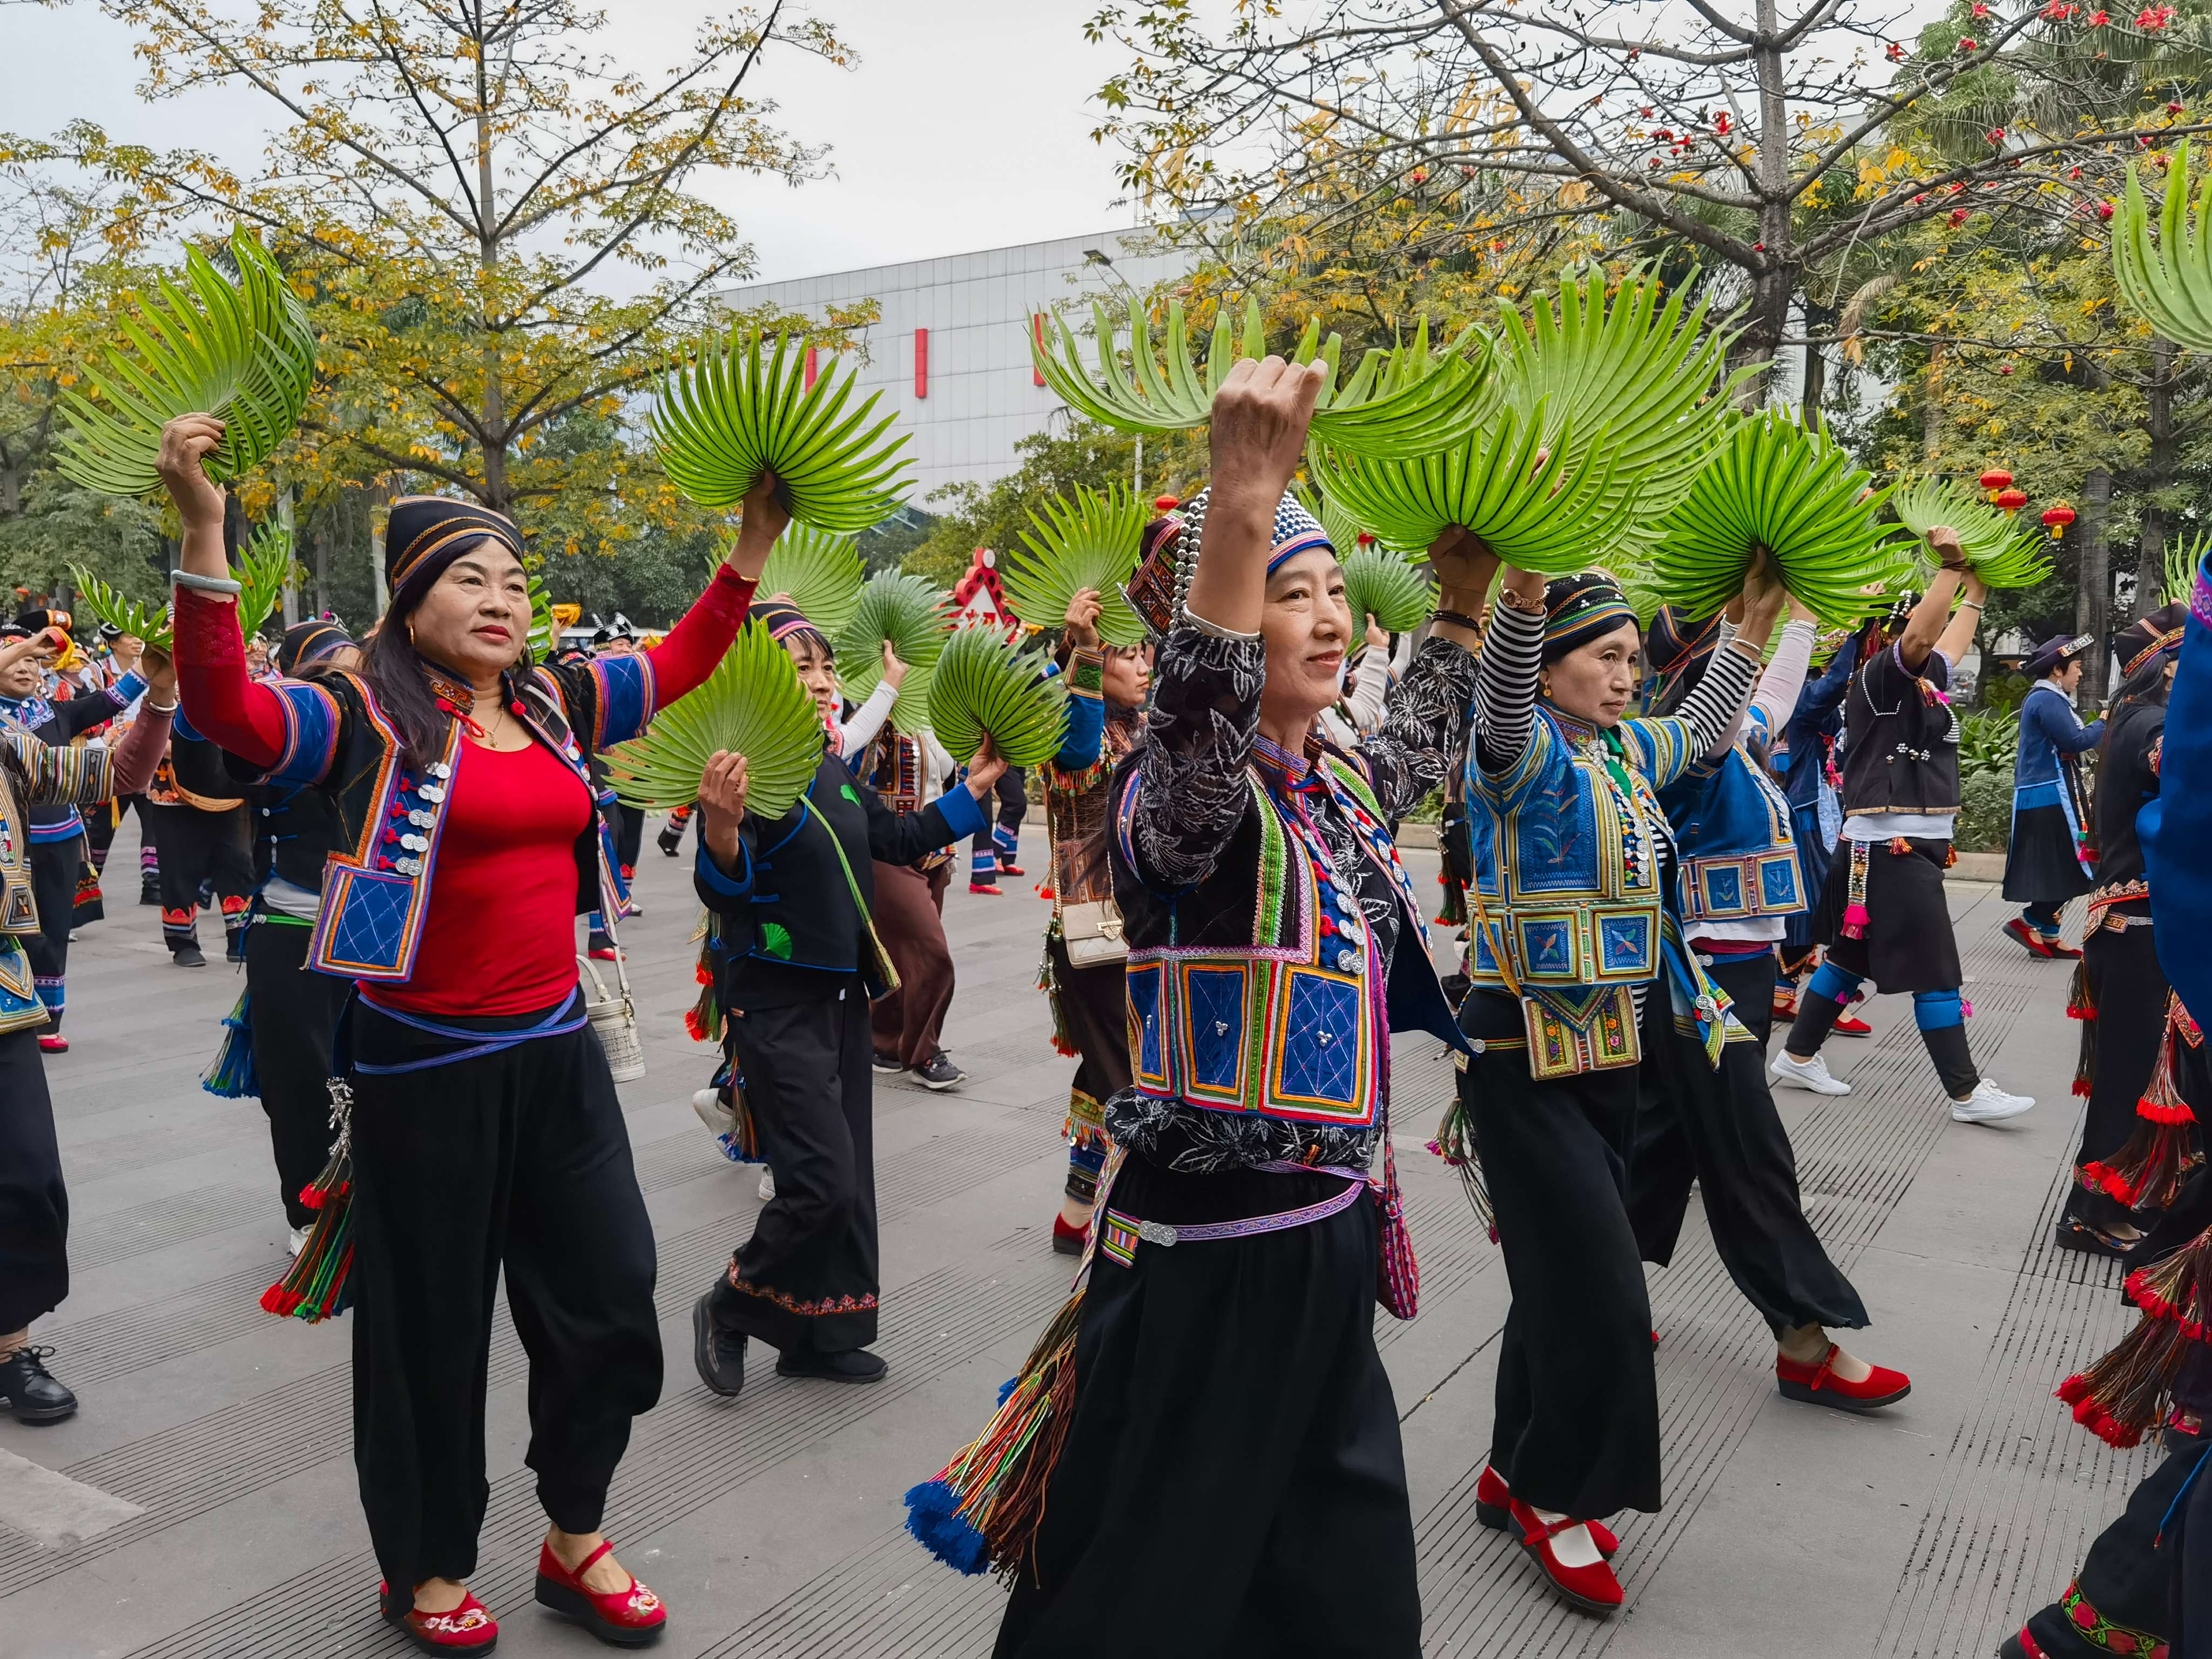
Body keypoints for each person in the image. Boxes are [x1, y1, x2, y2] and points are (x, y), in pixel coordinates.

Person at [160, 409, 773, 1652]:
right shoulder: (358, 712)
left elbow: (681, 660)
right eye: (468, 579)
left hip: (556, 1054)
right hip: (421, 1067)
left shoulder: (554, 701)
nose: (500, 600)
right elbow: (224, 705)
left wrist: (751, 545)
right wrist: (204, 528)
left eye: (513, 582)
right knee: (429, 1338)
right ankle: (427, 1565)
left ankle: (573, 1534)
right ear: (408, 595)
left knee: (612, 1295)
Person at [907, 357, 1485, 1657]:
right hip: (1214, 1263)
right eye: (1291, 593)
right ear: (1220, 630)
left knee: (1344, 1600)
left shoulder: (1332, 783)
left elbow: (1425, 737)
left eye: (1334, 591)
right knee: (1140, 1602)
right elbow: (1196, 729)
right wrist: (1239, 503)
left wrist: (1466, 604)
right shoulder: (1178, 804)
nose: (1328, 618)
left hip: (1323, 1240)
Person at [1438, 548, 1792, 1615]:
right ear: (1549, 666)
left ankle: (1512, 1463)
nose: (1628, 673)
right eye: (1605, 656)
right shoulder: (1517, 754)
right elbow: (1500, 697)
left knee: (1558, 1274)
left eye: (1635, 656)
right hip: (1519, 1057)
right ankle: (1557, 1493)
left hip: (1610, 1053)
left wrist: (1753, 625)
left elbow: (1703, 730)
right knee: (1602, 1286)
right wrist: (1521, 595)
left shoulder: (1623, 750)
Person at [687, 596, 1002, 1394]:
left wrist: (973, 790)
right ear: (755, 679)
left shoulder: (827, 766)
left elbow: (894, 839)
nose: (825, 681)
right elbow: (723, 888)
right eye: (803, 668)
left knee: (850, 1183)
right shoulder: (739, 775)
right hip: (774, 1003)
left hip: (840, 1001)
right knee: (820, 1182)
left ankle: (822, 1336)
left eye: (827, 667)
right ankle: (730, 1304)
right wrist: (719, 831)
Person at [1628, 600, 1909, 1435]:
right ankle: (1802, 1339)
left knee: (1661, 1138)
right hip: (1702, 977)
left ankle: (1599, 1291)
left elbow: (1778, 697)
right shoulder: (1680, 738)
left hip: (1734, 971)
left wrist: (1797, 615)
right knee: (1748, 1153)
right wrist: (1755, 621)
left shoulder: (1731, 729)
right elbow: (1733, 713)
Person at [1770, 555, 2036, 1124]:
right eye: (1914, 629)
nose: (1930, 640)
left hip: (1887, 848)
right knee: (1936, 972)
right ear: (1889, 636)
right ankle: (1966, 1092)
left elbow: (1947, 647)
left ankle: (1797, 1056)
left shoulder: (1919, 680)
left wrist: (1975, 594)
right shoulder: (1882, 677)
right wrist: (1950, 567)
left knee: (1847, 962)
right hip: (1893, 850)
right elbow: (1920, 637)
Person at [0, 624, 174, 1422]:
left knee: (26, 1174)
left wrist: (160, 695)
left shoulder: (9, 745)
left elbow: (118, 772)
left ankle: (9, 1349)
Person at [181, 617, 362, 1256]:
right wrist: (190, 700)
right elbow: (206, 778)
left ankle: (387, 1201)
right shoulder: (282, 733)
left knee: (386, 1075)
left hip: (383, 935)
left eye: (356, 664)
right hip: (293, 929)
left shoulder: (398, 727)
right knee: (301, 1085)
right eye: (330, 669)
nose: (348, 679)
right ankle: (311, 1212)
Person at [2055, 605, 2195, 1257]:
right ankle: (2090, 1212)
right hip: (2137, 928)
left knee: (2133, 1075)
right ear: (2164, 668)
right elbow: (2190, 779)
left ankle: (2120, 1201)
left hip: (2126, 925)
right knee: (2128, 1077)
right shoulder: (2152, 726)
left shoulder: (2129, 719)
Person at [1033, 583, 1151, 1252]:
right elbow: (1079, 756)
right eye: (1126, 655)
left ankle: (1077, 1216)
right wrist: (1079, 647)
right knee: (1130, 1080)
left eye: (1142, 654)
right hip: (1097, 937)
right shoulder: (1069, 729)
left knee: (1109, 1072)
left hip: (1145, 932)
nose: (1142, 666)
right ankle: (1126, 1216)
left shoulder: (1140, 725)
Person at [0, 613, 150, 1050]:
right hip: (11, 847)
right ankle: (14, 1016)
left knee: (53, 930)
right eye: (15, 660)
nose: (25, 668)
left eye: (33, 662)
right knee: (15, 932)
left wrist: (154, 661)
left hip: (60, 838)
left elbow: (111, 700)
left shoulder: (54, 712)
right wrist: (29, 645)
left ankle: (47, 1022)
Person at [854, 706, 967, 1089]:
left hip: (936, 850)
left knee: (903, 954)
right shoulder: (876, 713)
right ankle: (925, 1052)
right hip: (887, 852)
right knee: (931, 953)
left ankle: (884, 1042)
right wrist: (878, 716)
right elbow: (854, 775)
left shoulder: (942, 715)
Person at [1772, 628, 1870, 1034]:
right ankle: (1819, 998)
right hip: (1809, 813)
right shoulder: (1806, 695)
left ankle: (1788, 992)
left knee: (1824, 906)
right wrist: (1857, 637)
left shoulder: (1821, 697)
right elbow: (1832, 687)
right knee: (1821, 906)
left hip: (1829, 807)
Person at [2003, 631, 2105, 958]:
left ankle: (2048, 932)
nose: (2081, 673)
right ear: (2057, 671)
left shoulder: (2048, 699)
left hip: (2045, 792)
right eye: (2077, 667)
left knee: (2062, 865)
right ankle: (2030, 921)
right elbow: (2075, 741)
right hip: (2048, 794)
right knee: (2073, 863)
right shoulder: (2046, 700)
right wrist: (2106, 722)